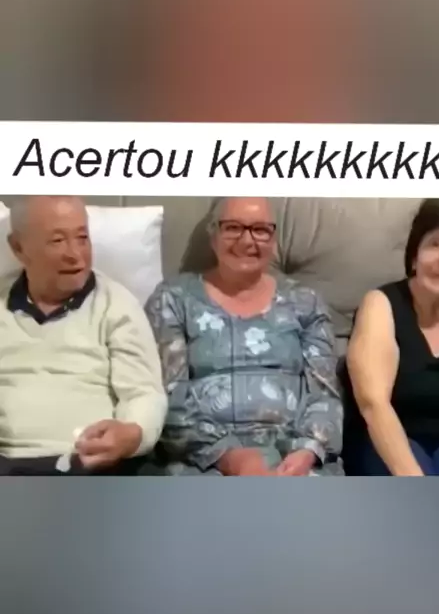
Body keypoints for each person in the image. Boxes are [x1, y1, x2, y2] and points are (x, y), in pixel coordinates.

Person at [145, 197, 343, 476]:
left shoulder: (306, 302)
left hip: (293, 458)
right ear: (213, 235)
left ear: (273, 239)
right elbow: (167, 399)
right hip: (203, 461)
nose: (247, 240)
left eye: (260, 230)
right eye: (233, 227)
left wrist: (307, 450)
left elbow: (325, 395)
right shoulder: (173, 299)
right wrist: (229, 457)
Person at [0, 195, 166, 475]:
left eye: (82, 237)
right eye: (57, 241)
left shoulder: (116, 304)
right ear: (19, 248)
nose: (75, 254)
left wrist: (131, 434)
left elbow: (143, 393)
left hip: (90, 464)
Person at [344, 198, 439, 476]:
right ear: (415, 254)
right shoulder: (380, 305)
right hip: (388, 437)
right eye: (435, 244)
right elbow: (373, 404)